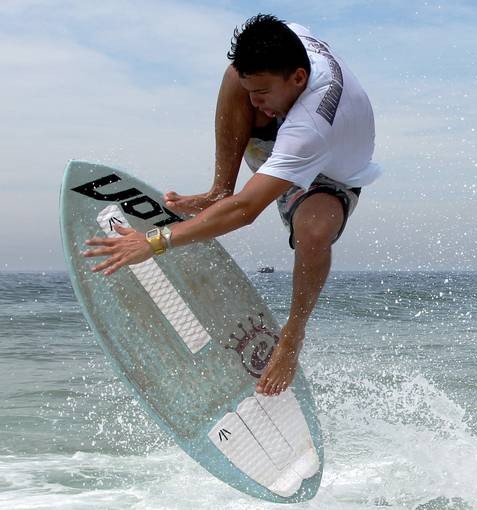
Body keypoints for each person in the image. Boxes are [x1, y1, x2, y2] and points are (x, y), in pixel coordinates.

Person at [83, 14, 380, 396]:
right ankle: (219, 189)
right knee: (233, 76)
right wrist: (255, 96)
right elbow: (253, 79)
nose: (254, 101)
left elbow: (246, 212)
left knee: (315, 232)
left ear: (299, 78)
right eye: (253, 91)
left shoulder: (310, 129)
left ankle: (293, 336)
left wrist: (153, 242)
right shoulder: (287, 42)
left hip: (333, 175)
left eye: (262, 93)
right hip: (281, 140)